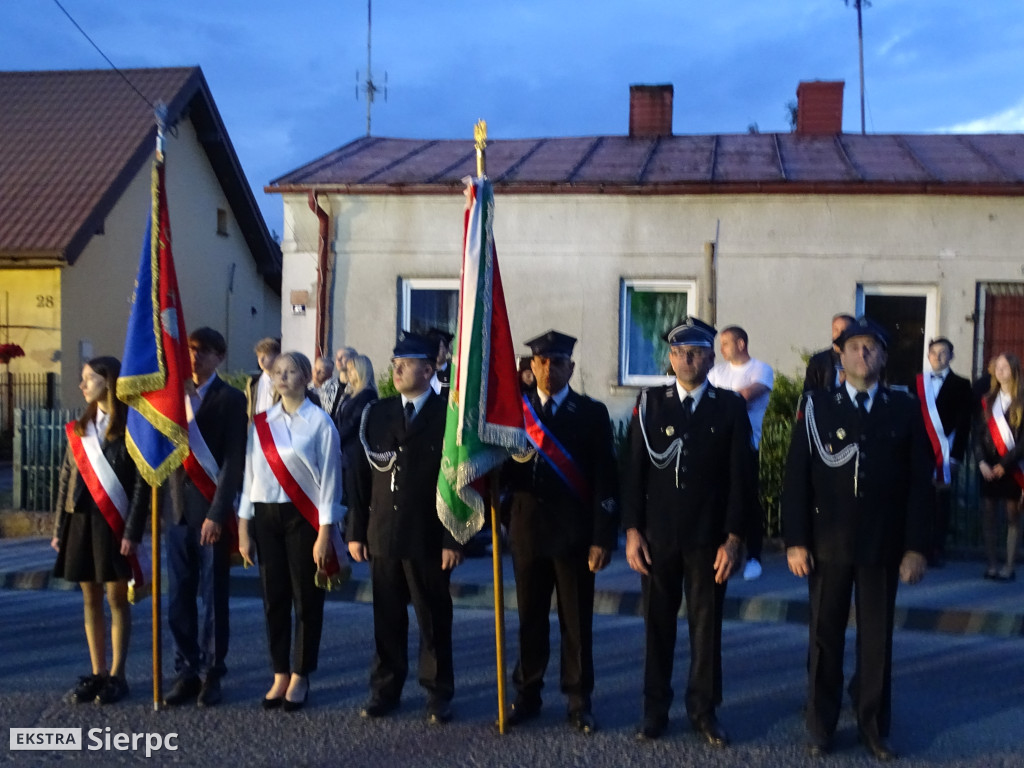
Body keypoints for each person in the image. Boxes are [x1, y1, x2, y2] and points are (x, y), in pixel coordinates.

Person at [783, 316, 932, 760]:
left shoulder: (903, 408)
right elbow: (796, 479)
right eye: (853, 347)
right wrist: (795, 541)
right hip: (827, 544)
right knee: (824, 638)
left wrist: (916, 547)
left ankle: (872, 725)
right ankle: (822, 724)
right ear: (840, 356)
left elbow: (919, 484)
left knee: (876, 641)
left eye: (871, 348)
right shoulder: (816, 406)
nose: (862, 354)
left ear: (884, 357)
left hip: (882, 545)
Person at [623, 316, 755, 747]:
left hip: (708, 540)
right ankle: (653, 711)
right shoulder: (650, 404)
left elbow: (742, 478)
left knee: (706, 629)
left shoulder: (730, 406)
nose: (687, 359)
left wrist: (735, 538)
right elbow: (633, 474)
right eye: (679, 352)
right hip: (657, 540)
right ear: (670, 358)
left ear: (710, 357)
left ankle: (703, 711)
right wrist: (631, 531)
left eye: (696, 352)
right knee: (657, 629)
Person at [501, 330, 619, 734]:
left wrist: (603, 537)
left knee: (576, 622)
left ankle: (577, 699)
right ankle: (527, 693)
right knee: (529, 619)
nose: (548, 369)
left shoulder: (591, 413)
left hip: (574, 536)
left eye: (557, 362)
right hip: (528, 533)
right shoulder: (514, 414)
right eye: (541, 362)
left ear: (571, 367)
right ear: (531, 367)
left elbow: (606, 478)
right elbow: (500, 472)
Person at [348, 332, 463, 725]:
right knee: (387, 617)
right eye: (395, 361)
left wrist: (454, 537)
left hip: (428, 535)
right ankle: (385, 688)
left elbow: (457, 481)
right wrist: (355, 530)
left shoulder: (449, 415)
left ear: (429, 369)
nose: (396, 368)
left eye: (407, 362)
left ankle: (437, 692)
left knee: (433, 618)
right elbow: (361, 477)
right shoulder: (377, 413)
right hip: (383, 531)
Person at [237, 351, 345, 712]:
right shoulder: (261, 422)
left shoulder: (320, 423)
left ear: (305, 378)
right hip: (266, 516)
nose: (282, 376)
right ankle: (279, 672)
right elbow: (250, 476)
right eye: (277, 371)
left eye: (290, 371)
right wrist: (243, 526)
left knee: (306, 599)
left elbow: (331, 480)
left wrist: (326, 533)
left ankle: (301, 673)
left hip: (304, 519)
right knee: (274, 599)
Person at [51, 356, 147, 705]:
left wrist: (133, 531)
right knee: (89, 597)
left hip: (114, 523)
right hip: (80, 521)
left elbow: (141, 485)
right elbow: (66, 479)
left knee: (116, 599)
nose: (83, 385)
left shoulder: (132, 426)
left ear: (108, 381)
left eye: (89, 378)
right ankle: (98, 671)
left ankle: (118, 675)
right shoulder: (81, 427)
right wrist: (59, 527)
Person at [162, 328, 247, 707]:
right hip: (177, 512)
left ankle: (212, 671)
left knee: (213, 598)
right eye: (192, 350)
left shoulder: (229, 398)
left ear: (220, 357)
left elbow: (233, 461)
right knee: (179, 596)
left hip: (210, 511)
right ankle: (186, 670)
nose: (195, 357)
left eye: (205, 352)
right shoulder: (171, 397)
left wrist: (218, 513)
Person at [707, 325, 773, 580]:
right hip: (717, 446)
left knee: (748, 498)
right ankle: (722, 550)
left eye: (725, 343)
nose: (721, 349)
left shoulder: (761, 369)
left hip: (747, 444)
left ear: (741, 344)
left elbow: (742, 398)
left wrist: (719, 400)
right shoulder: (717, 372)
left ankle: (754, 555)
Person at [916, 338, 974, 566]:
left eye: (943, 353)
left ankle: (937, 548)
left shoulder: (961, 384)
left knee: (941, 502)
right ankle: (918, 547)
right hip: (921, 452)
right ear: (928, 356)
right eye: (934, 353)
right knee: (921, 501)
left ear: (951, 356)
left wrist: (956, 456)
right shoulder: (918, 383)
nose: (938, 357)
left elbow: (964, 424)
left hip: (946, 453)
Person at [974, 353, 1024, 582]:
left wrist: (1006, 464)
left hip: (1011, 466)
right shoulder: (987, 399)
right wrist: (982, 461)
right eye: (998, 367)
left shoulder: (1022, 399)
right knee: (988, 513)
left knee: (1013, 515)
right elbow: (978, 434)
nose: (1000, 371)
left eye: (1005, 367)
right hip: (988, 466)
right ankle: (992, 563)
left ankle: (1009, 565)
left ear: (1014, 370)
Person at [333, 353, 378, 510]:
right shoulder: (350, 394)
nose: (348, 373)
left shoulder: (368, 394)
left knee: (354, 500)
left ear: (361, 371)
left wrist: (335, 437)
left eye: (352, 370)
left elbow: (355, 422)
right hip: (344, 451)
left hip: (355, 453)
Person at [803, 314, 854, 393]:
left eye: (844, 330)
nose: (839, 334)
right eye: (836, 330)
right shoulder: (818, 361)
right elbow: (809, 393)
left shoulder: (861, 359)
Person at [245, 337, 280, 420]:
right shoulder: (253, 383)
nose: (261, 359)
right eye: (259, 356)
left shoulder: (282, 382)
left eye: (265, 355)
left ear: (277, 356)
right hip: (257, 426)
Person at [321, 346, 357, 418]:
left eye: (343, 357)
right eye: (337, 357)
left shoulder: (356, 387)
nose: (338, 360)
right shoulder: (328, 384)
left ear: (352, 360)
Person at [428, 328, 454, 398]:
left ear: (447, 350)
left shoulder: (453, 372)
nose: (435, 351)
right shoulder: (424, 374)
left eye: (439, 348)